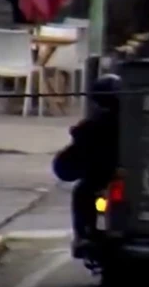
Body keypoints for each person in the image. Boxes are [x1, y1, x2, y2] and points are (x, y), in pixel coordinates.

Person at [52, 73, 122, 256]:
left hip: (104, 177)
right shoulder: (123, 120)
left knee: (82, 192)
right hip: (107, 177)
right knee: (82, 192)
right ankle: (84, 235)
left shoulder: (97, 123)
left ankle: (83, 235)